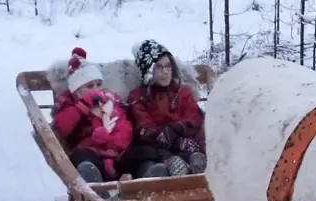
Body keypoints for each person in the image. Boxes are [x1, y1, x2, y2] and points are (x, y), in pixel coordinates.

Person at [123, 39, 206, 178]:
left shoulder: (182, 92)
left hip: (183, 146)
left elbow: (193, 118)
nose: (165, 71)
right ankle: (167, 169)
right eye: (159, 67)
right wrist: (170, 136)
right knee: (149, 161)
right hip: (153, 151)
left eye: (168, 66)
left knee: (194, 151)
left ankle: (188, 166)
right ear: (149, 70)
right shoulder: (138, 96)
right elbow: (144, 129)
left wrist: (176, 129)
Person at [51, 48, 133, 185]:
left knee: (135, 157)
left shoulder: (110, 101)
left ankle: (138, 185)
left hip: (115, 152)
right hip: (89, 151)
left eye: (99, 84)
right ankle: (98, 191)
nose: (96, 90)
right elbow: (62, 126)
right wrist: (83, 106)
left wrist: (111, 143)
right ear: (76, 90)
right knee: (83, 161)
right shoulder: (70, 104)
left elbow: (124, 128)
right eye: (89, 86)